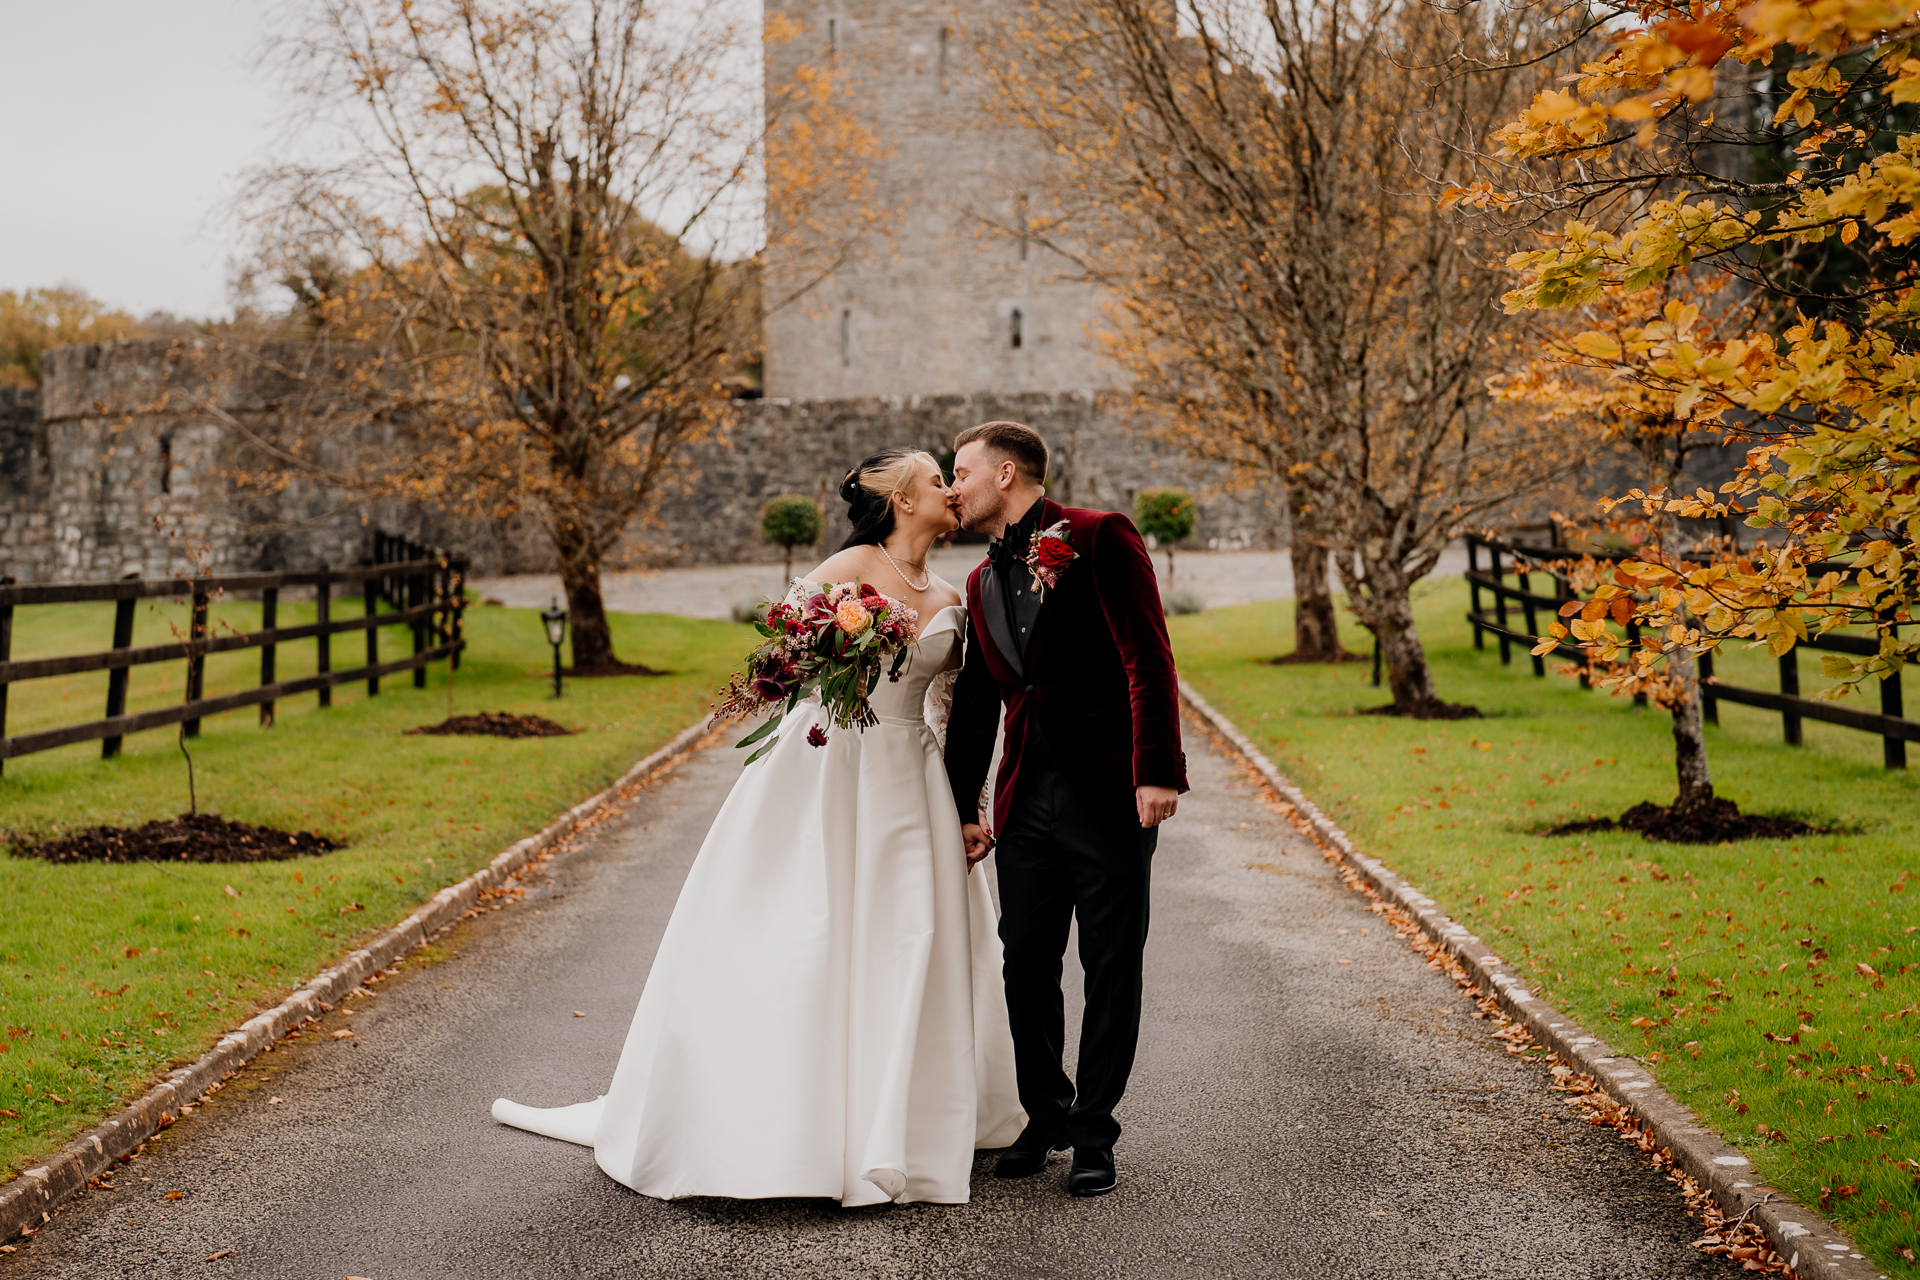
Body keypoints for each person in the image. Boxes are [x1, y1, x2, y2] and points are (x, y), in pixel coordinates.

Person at [491, 448, 1025, 1206]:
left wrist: (968, 808)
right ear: (902, 500)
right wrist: (836, 656)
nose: (950, 490)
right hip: (827, 771)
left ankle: (900, 1119)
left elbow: (946, 709)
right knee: (807, 931)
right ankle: (788, 1126)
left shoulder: (951, 592)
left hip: (912, 782)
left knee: (909, 937)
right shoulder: (848, 565)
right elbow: (779, 657)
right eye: (937, 480)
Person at [943, 421, 1186, 1199]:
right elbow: (979, 702)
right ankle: (1042, 1114)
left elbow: (1146, 655)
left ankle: (1094, 1131)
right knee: (1026, 965)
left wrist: (1157, 772)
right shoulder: (980, 582)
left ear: (1006, 473)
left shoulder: (1098, 537)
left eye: (962, 471)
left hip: (1109, 792)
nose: (953, 487)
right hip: (1025, 800)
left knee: (1111, 965)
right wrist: (964, 805)